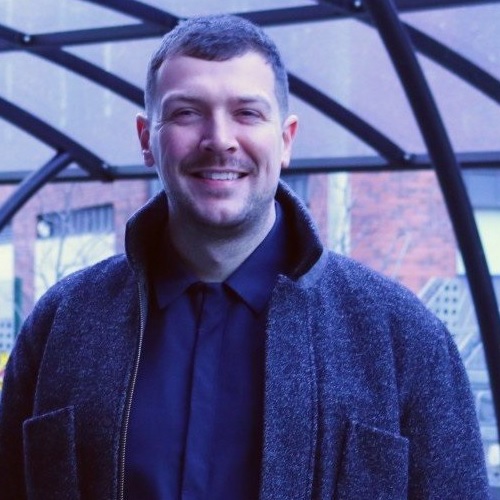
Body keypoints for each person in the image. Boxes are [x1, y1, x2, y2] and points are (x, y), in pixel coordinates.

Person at [0, 14, 490, 500]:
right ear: (147, 139)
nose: (219, 139)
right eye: (186, 112)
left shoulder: (403, 339)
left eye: (248, 113)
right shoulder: (61, 324)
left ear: (286, 139)